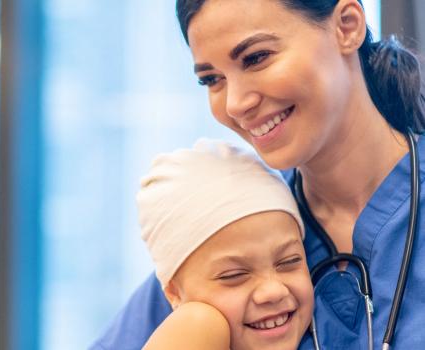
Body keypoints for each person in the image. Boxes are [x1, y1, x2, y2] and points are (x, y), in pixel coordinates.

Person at [90, 0, 425, 349]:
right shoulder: (236, 225)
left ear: (347, 26)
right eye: (212, 79)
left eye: (256, 58)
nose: (234, 103)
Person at [136, 139, 313, 350]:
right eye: (234, 275)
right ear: (174, 293)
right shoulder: (195, 325)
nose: (273, 291)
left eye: (289, 261)